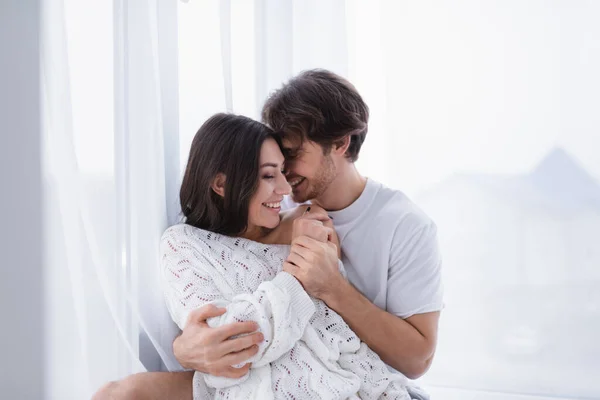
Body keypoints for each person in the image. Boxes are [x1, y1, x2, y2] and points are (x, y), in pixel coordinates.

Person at [94, 69, 443, 399]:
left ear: (339, 143)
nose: (284, 178)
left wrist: (329, 286)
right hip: (262, 374)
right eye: (274, 167)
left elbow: (417, 361)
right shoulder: (270, 206)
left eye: (291, 155)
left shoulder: (404, 226)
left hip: (340, 374)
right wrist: (185, 347)